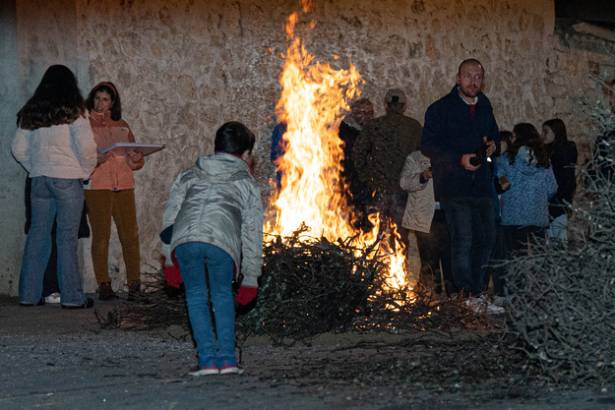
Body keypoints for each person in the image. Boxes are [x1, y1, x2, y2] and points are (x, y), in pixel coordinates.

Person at [162, 121, 263, 376]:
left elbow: (170, 218)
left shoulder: (188, 174)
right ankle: (227, 360)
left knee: (195, 296)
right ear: (246, 154)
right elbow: (252, 233)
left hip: (185, 242)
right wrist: (251, 276)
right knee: (221, 296)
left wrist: (169, 259)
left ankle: (207, 361)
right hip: (221, 244)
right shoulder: (247, 184)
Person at [12, 64, 97, 308]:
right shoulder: (76, 111)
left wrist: (35, 167)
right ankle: (71, 297)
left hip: (39, 179)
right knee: (66, 238)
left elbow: (17, 148)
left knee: (37, 236)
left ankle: (29, 295)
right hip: (68, 179)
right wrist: (83, 172)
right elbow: (87, 147)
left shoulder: (32, 111)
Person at [421, 59, 500, 304]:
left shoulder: (485, 106)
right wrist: (459, 159)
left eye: (478, 76)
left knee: (487, 238)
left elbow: (494, 135)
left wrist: (494, 145)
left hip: (483, 185)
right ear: (458, 78)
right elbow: (428, 145)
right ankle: (465, 294)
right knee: (463, 239)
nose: (473, 81)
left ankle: (478, 292)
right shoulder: (440, 109)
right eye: (468, 76)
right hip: (454, 186)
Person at [84, 82, 145, 300]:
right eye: (97, 98)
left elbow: (134, 159)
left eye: (105, 99)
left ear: (113, 103)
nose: (100, 103)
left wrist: (136, 158)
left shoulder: (123, 125)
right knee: (101, 236)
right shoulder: (84, 124)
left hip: (124, 185)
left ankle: (135, 286)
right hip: (98, 186)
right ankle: (104, 285)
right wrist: (95, 159)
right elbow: (81, 157)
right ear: (92, 99)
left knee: (130, 235)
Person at [352, 88, 422, 276]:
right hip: (403, 191)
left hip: (379, 190)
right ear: (403, 105)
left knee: (378, 235)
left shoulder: (374, 126)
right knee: (402, 236)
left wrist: (368, 178)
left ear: (385, 105)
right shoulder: (414, 127)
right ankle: (401, 276)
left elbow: (358, 155)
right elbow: (423, 157)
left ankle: (378, 276)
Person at [497, 123, 557, 278]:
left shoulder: (506, 159)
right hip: (538, 217)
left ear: (516, 137)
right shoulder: (544, 160)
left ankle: (516, 296)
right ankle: (538, 296)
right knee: (539, 261)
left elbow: (499, 182)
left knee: (515, 261)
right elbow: (552, 188)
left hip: (513, 218)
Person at [399, 150, 454, 296]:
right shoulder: (415, 157)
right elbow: (404, 182)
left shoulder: (452, 155)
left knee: (451, 259)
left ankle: (454, 298)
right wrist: (423, 176)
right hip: (424, 217)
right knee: (429, 261)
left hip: (450, 213)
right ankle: (429, 298)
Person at [338, 98, 374, 229]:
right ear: (353, 113)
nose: (367, 116)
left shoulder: (373, 133)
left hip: (367, 190)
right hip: (349, 189)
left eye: (370, 113)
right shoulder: (344, 132)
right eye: (362, 112)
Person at [542, 119, 577, 242]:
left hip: (559, 199)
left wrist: (558, 198)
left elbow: (566, 179)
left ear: (556, 132)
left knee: (558, 236)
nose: (543, 135)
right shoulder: (548, 151)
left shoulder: (564, 151)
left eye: (546, 132)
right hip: (551, 199)